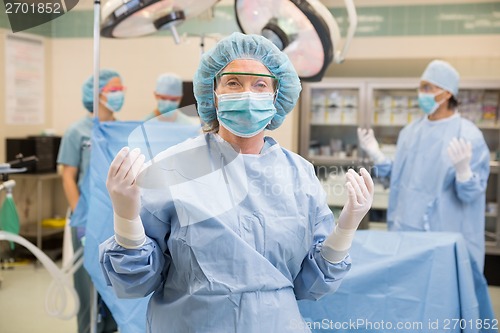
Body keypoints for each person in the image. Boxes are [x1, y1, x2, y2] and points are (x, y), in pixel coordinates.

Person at [100, 32, 374, 333]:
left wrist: (345, 230)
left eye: (260, 85)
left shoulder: (299, 175)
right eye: (233, 83)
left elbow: (310, 285)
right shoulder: (173, 168)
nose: (247, 94)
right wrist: (126, 220)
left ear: (275, 96)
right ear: (213, 93)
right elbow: (136, 282)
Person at [357, 59, 490, 271]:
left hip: (445, 237)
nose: (421, 93)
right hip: (405, 232)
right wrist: (378, 155)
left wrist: (464, 174)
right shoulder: (410, 132)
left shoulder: (468, 136)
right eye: (420, 87)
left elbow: (471, 196)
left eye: (427, 88)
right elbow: (399, 179)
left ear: (447, 94)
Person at [57, 69, 122, 333]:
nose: (120, 95)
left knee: (116, 291)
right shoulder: (77, 131)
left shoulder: (118, 129)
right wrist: (81, 216)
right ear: (96, 95)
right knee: (88, 290)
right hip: (86, 221)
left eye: (121, 90)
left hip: (113, 220)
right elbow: (68, 177)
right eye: (114, 90)